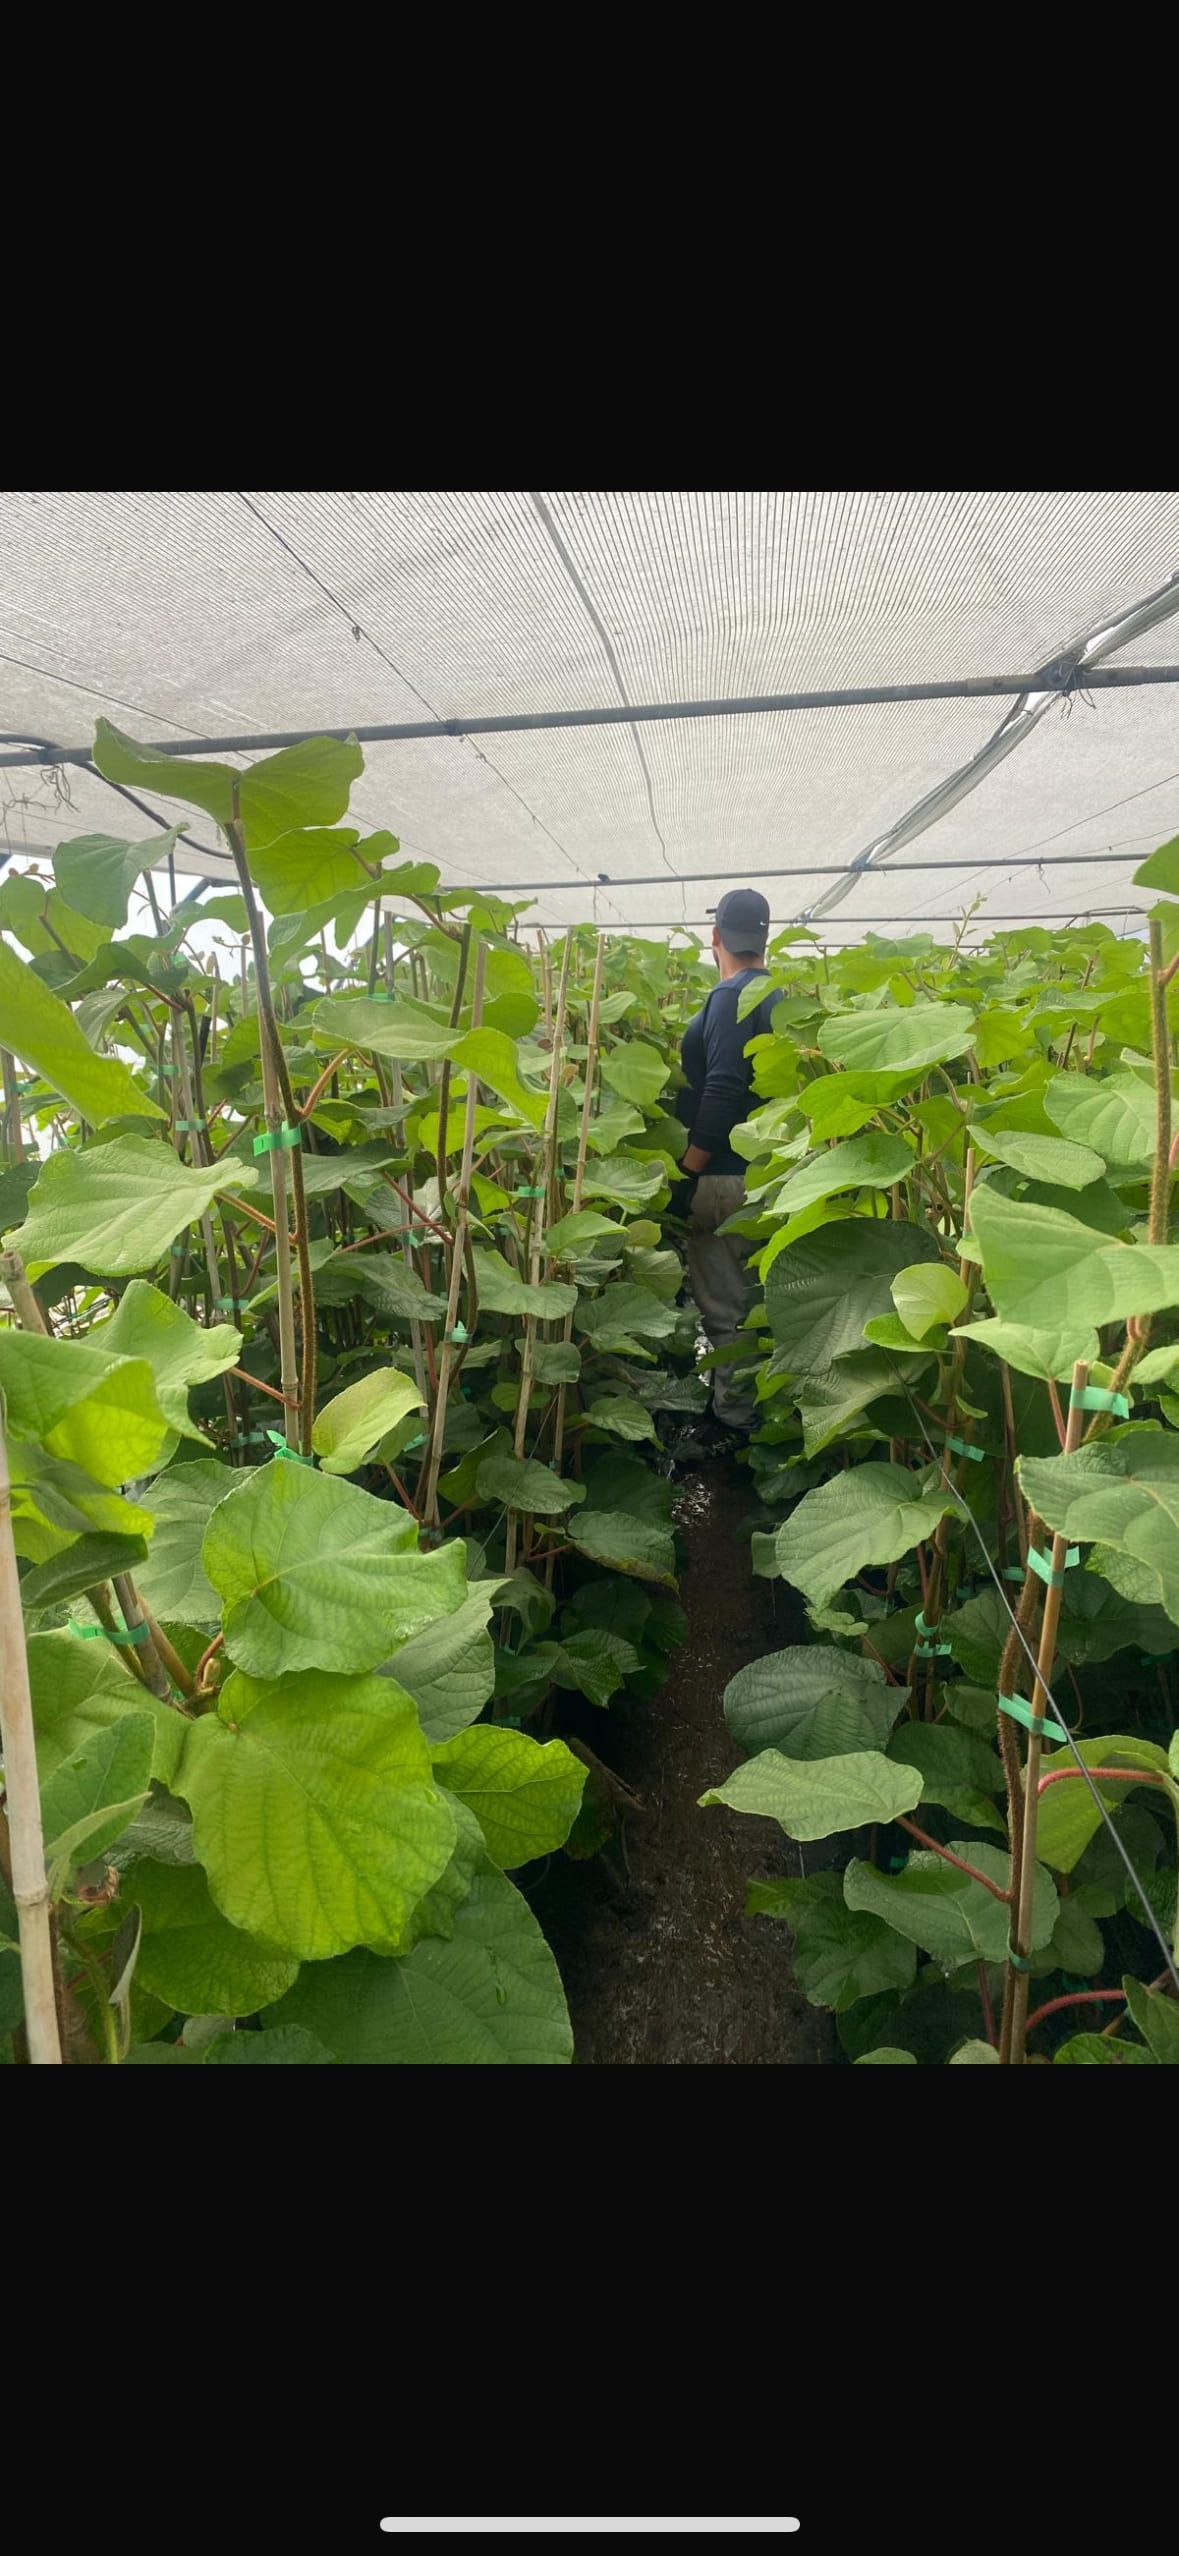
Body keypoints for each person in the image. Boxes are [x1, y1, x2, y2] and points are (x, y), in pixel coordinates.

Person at [670, 888, 779, 1439]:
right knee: (766, 1300)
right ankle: (771, 1417)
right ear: (765, 938)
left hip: (725, 1175)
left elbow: (721, 1089)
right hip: (778, 1175)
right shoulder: (786, 998)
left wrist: (688, 1170)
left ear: (715, 938)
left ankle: (736, 1425)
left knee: (725, 1306)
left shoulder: (727, 998)